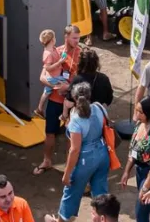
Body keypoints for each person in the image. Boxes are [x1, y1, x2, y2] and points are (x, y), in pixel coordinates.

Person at [58, 83, 111, 222]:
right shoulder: (99, 107)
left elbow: (75, 149)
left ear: (75, 98)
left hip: (85, 159)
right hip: (103, 154)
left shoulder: (75, 119)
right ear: (90, 95)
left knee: (71, 195)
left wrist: (67, 173)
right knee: (101, 197)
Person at [36, 27, 79, 175]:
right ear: (66, 37)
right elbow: (42, 76)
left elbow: (84, 80)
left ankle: (70, 166)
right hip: (55, 100)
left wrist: (68, 87)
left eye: (78, 38)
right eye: (74, 38)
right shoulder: (56, 51)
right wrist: (55, 86)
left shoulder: (81, 54)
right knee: (49, 133)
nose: (77, 41)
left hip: (72, 101)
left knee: (70, 135)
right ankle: (46, 161)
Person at [34, 30, 67, 117]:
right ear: (52, 40)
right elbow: (48, 68)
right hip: (54, 77)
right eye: (54, 37)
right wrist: (59, 62)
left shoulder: (52, 49)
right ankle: (64, 111)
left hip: (53, 76)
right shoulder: (48, 54)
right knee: (66, 85)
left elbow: (57, 53)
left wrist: (61, 54)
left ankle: (39, 109)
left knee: (46, 92)